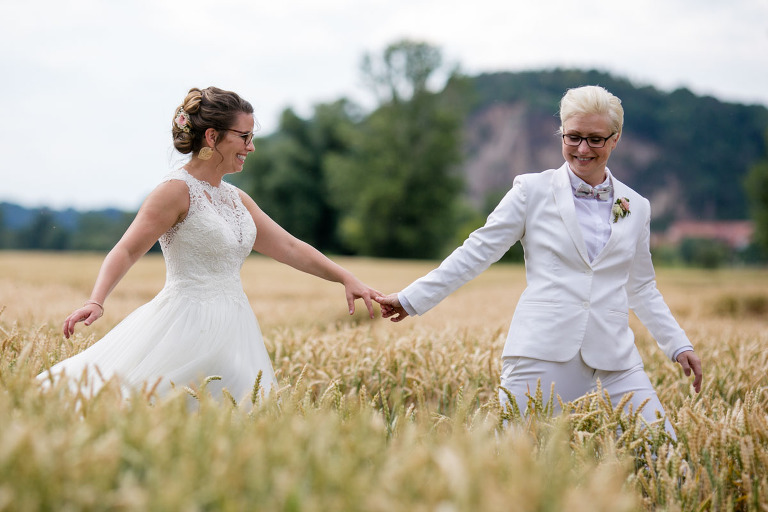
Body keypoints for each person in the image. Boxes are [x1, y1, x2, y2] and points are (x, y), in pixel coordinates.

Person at [375, 85, 702, 436]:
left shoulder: (636, 206)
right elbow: (477, 251)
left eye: (595, 139)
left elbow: (641, 286)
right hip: (542, 352)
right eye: (572, 136)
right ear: (561, 133)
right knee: (518, 462)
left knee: (665, 455)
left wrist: (677, 343)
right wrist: (411, 298)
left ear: (615, 139)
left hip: (616, 358)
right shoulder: (530, 191)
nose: (581, 149)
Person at [40, 86, 381, 402]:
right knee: (159, 405)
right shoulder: (174, 191)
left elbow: (289, 248)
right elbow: (127, 249)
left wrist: (346, 279)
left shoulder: (236, 199)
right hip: (184, 324)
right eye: (244, 136)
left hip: (236, 326)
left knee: (238, 412)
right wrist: (96, 300)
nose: (251, 146)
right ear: (212, 136)